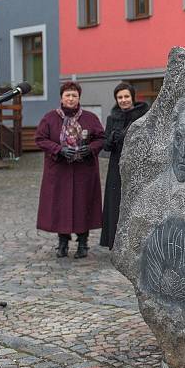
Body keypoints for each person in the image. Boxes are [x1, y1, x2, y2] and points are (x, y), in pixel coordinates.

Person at [35, 82, 105, 258]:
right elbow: (40, 139)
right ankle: (63, 242)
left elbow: (101, 138)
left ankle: (83, 243)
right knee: (61, 206)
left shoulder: (90, 118)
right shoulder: (50, 118)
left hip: (84, 171)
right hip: (59, 170)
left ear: (79, 97)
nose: (71, 98)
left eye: (74, 95)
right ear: (61, 98)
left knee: (83, 205)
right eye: (68, 95)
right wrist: (58, 149)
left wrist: (90, 149)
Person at [100, 82, 149, 249]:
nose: (123, 100)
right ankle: (115, 241)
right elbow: (105, 146)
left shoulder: (143, 115)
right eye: (120, 97)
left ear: (133, 98)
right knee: (116, 202)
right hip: (116, 165)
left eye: (126, 96)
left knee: (137, 202)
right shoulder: (112, 117)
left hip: (137, 165)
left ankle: (136, 241)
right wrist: (112, 138)